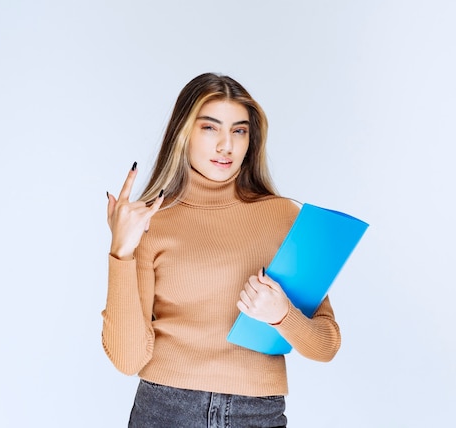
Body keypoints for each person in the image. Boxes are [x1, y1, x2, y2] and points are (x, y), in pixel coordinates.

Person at [102, 73, 341, 427]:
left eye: (239, 130)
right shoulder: (153, 222)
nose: (225, 145)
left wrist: (282, 315)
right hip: (166, 410)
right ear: (183, 133)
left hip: (257, 414)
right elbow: (127, 359)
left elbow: (326, 345)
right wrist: (121, 252)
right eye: (210, 128)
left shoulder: (283, 216)